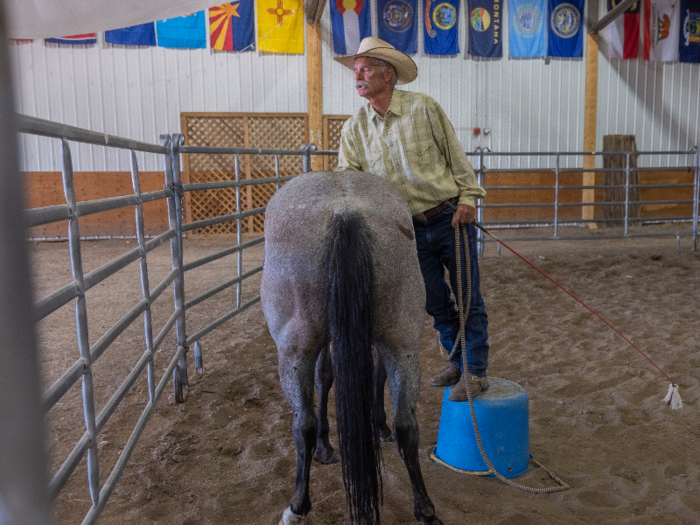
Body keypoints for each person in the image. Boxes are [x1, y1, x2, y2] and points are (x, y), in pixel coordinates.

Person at [333, 37, 490, 401]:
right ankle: (457, 359)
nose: (358, 75)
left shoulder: (424, 108)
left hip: (449, 218)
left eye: (365, 68)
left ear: (388, 74)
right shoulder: (354, 128)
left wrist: (469, 197)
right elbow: (349, 177)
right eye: (355, 70)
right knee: (434, 301)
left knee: (468, 297)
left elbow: (455, 156)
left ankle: (476, 371)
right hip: (402, 231)